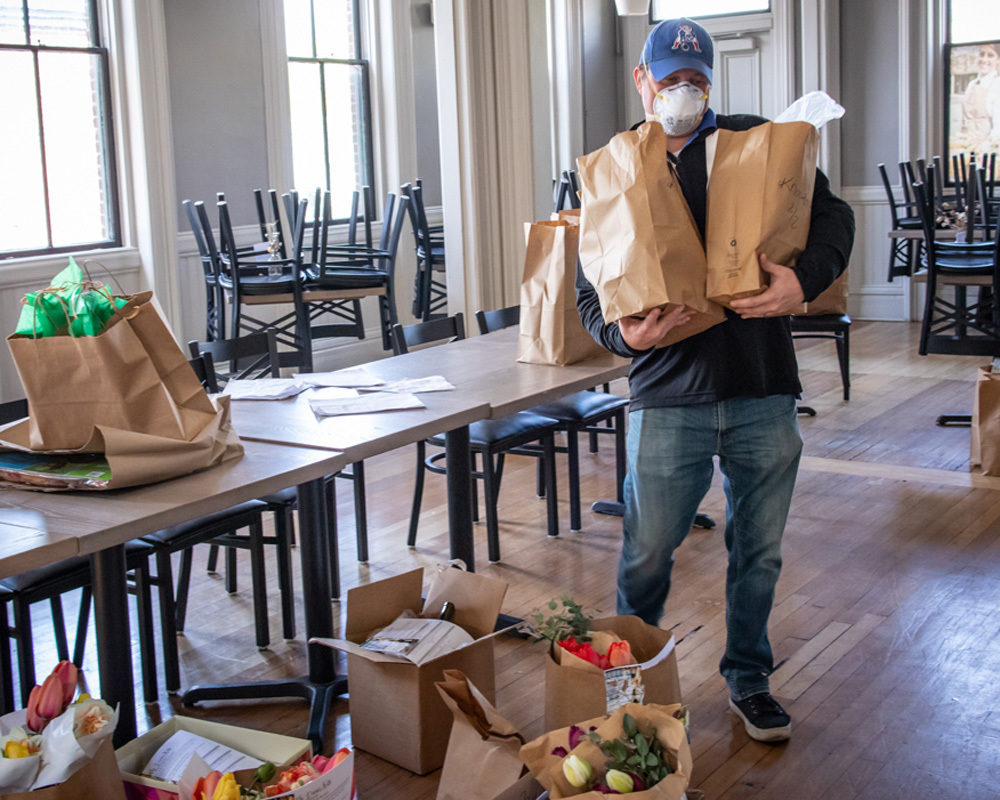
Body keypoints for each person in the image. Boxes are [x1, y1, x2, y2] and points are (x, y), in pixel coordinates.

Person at [576, 17, 855, 743]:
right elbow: (589, 293)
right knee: (646, 549)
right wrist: (620, 335)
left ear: (712, 82)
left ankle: (749, 678)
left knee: (757, 550)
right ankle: (625, 681)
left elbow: (833, 220)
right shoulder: (614, 170)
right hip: (668, 397)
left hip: (763, 387)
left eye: (696, 79)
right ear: (642, 80)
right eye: (669, 77)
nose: (683, 91)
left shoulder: (757, 145)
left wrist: (803, 283)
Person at [960, 43, 1000, 151]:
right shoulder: (971, 84)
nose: (984, 59)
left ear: (998, 60)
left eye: (990, 55)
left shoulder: (997, 86)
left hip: (987, 150)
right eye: (982, 54)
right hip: (966, 146)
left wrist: (985, 147)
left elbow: (998, 130)